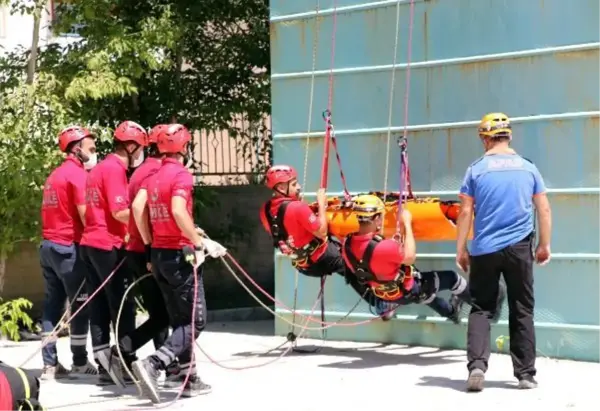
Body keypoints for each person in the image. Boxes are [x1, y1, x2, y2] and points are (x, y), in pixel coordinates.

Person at [129, 123, 226, 403]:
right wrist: (197, 241)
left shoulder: (153, 175)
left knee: (180, 320)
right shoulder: (181, 175)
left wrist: (149, 244)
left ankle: (189, 377)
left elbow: (138, 208)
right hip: (179, 255)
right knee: (195, 321)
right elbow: (177, 209)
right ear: (184, 147)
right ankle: (155, 363)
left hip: (158, 254)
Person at [456, 112, 552, 392]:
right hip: (520, 248)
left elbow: (465, 212)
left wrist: (461, 248)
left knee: (481, 308)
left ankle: (476, 367)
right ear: (509, 136)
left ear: (485, 138)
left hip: (485, 249)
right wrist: (544, 245)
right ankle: (525, 374)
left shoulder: (476, 169)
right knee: (522, 309)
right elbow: (543, 209)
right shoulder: (528, 167)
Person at [259, 165, 386, 318]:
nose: (299, 187)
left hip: (302, 265)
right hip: (322, 257)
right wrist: (321, 205)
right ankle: (381, 302)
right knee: (354, 264)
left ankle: (381, 299)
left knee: (346, 259)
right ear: (280, 187)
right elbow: (322, 231)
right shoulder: (297, 207)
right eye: (294, 184)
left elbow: (289, 228)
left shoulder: (265, 210)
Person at [341, 194, 487, 322]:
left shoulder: (347, 245)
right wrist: (407, 224)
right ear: (377, 218)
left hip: (387, 294)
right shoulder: (385, 247)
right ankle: (483, 306)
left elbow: (378, 262)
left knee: (426, 294)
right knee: (451, 279)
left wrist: (396, 243)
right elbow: (409, 257)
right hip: (409, 290)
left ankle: (451, 313)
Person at [79, 120, 147, 387]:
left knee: (99, 306)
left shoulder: (98, 169)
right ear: (130, 147)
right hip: (108, 245)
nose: (141, 153)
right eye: (139, 148)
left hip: (90, 244)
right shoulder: (115, 170)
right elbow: (120, 211)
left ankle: (104, 365)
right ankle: (125, 362)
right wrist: (148, 217)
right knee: (122, 306)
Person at [39, 126, 98, 380]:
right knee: (80, 304)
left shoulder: (54, 176)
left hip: (48, 248)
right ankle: (80, 361)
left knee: (52, 306)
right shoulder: (78, 176)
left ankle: (49, 365)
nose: (94, 153)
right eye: (91, 149)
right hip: (68, 249)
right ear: (77, 149)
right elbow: (86, 215)